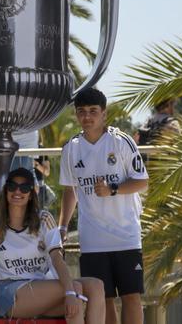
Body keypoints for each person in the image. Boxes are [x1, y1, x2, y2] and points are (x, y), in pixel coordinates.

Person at [0, 168, 105, 322]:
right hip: (11, 293)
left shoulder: (44, 219)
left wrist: (70, 293)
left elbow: (57, 259)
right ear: (5, 190)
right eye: (12, 186)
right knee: (75, 289)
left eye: (24, 188)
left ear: (31, 194)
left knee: (96, 286)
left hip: (44, 287)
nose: (17, 191)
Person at [59, 87, 149, 324]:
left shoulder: (121, 141)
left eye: (93, 111)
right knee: (103, 298)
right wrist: (62, 228)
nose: (87, 117)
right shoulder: (71, 148)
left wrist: (113, 190)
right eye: (81, 112)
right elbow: (70, 190)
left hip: (126, 235)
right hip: (92, 240)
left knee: (131, 297)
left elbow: (142, 181)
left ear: (104, 114)